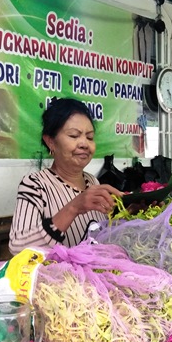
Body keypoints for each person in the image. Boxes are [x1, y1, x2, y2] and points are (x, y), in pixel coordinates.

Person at [8, 98, 123, 254]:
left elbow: (102, 238)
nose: (84, 143)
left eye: (89, 137)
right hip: (56, 278)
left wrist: (128, 213)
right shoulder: (35, 185)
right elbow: (17, 247)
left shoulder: (93, 182)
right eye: (74, 136)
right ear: (51, 142)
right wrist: (73, 208)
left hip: (93, 277)